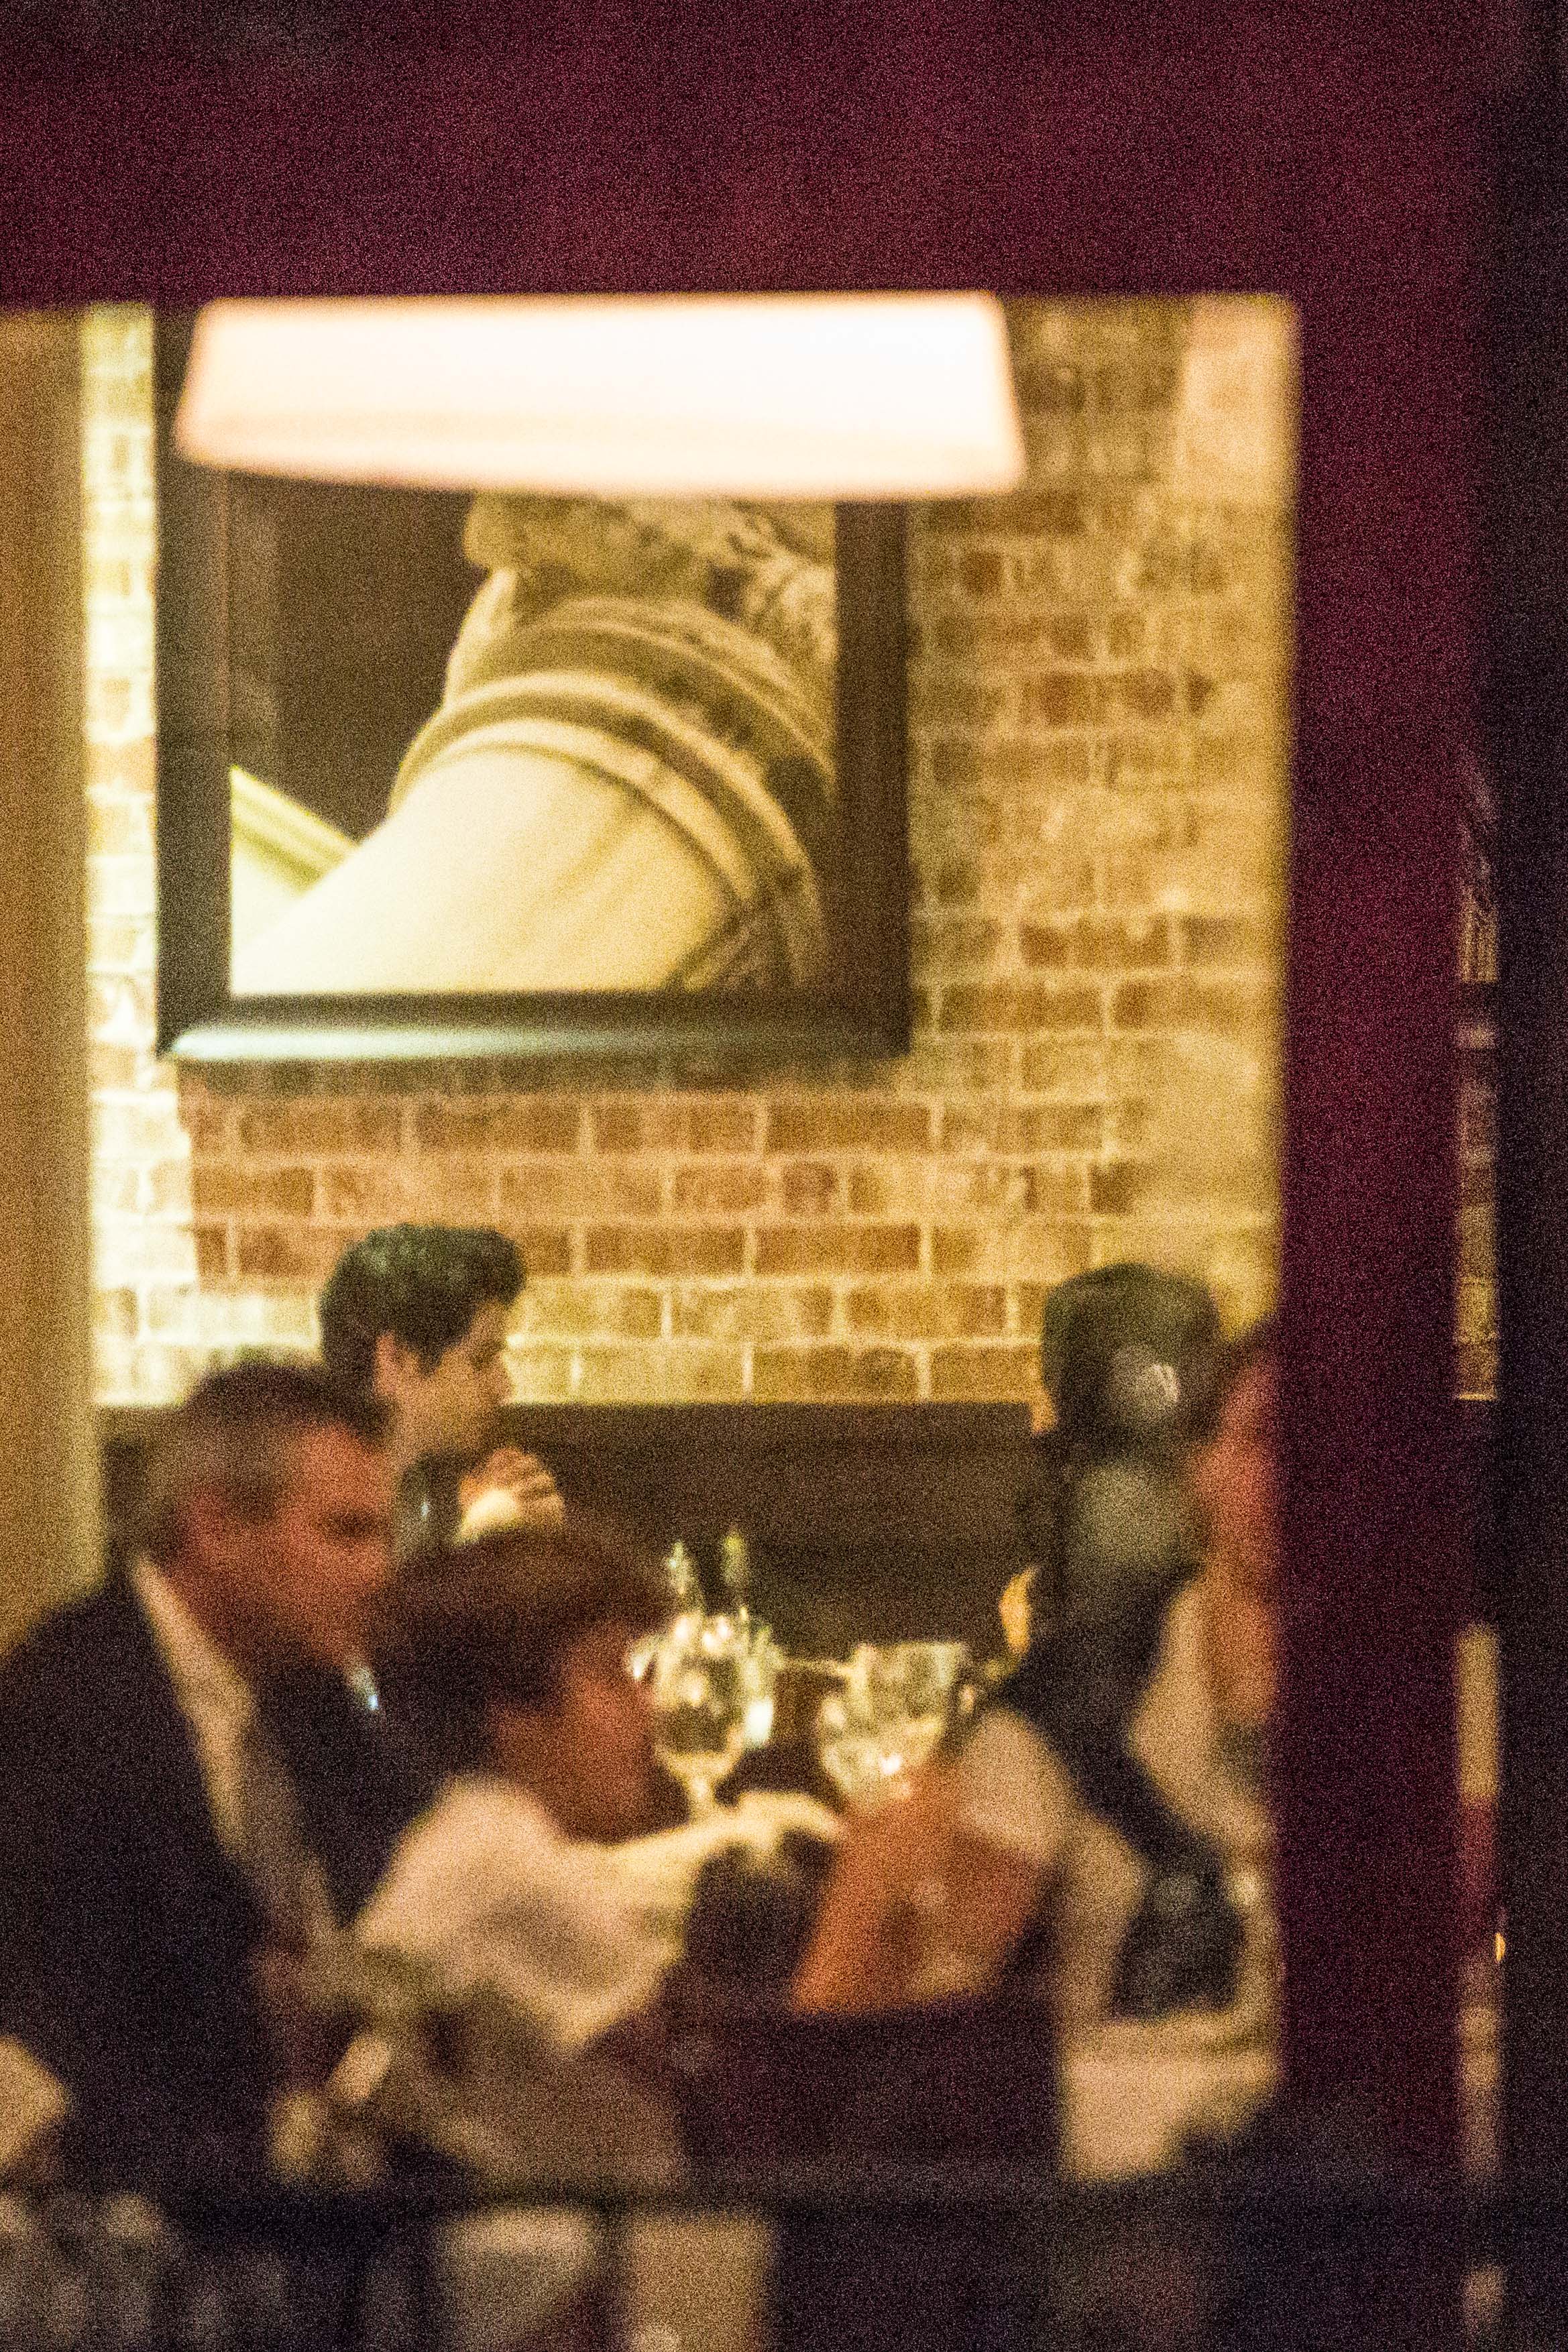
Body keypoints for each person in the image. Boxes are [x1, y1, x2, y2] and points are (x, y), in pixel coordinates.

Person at [793, 1314, 1279, 2130]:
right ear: (1203, 1467)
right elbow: (932, 1996)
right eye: (1266, 1438)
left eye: (1343, 1449)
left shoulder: (1452, 1685)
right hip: (1124, 2157)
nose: (1306, 1477)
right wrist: (888, 1890)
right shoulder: (1081, 1694)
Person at [0, 1361, 419, 2194]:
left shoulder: (311, 1699)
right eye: (346, 1533)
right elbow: (69, 2025)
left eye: (383, 1535)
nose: (379, 1571)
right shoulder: (61, 1709)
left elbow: (404, 1883)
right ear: (217, 1526)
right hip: (128, 2208)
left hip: (300, 2187)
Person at [318, 1223, 563, 1556]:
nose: (504, 1387)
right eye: (481, 1360)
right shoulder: (318, 1502)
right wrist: (481, 1537)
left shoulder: (415, 1488)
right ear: (398, 1359)